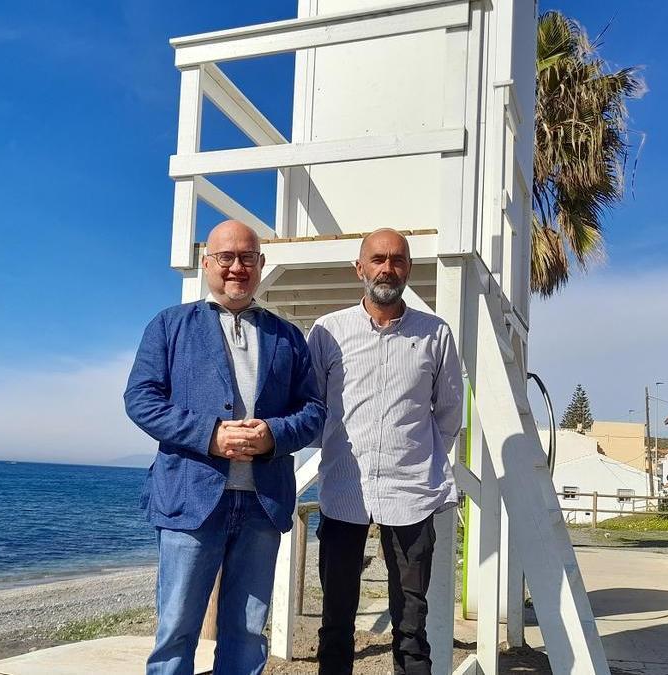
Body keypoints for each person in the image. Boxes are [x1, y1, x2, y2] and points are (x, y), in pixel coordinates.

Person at [125, 220, 326, 675]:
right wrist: (210, 434)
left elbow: (314, 411)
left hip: (262, 502)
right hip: (190, 501)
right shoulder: (169, 325)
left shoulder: (288, 336)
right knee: (176, 629)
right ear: (207, 262)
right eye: (227, 258)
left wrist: (273, 435)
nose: (238, 267)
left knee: (248, 633)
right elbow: (140, 399)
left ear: (261, 264)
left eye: (248, 258)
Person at [305, 228, 463, 675]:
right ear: (360, 267)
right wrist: (336, 450)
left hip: (410, 495)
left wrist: (416, 457)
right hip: (343, 491)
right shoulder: (328, 331)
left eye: (396, 260)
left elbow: (450, 412)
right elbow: (314, 407)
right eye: (377, 259)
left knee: (412, 625)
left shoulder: (436, 334)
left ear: (409, 269)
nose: (386, 268)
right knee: (335, 620)